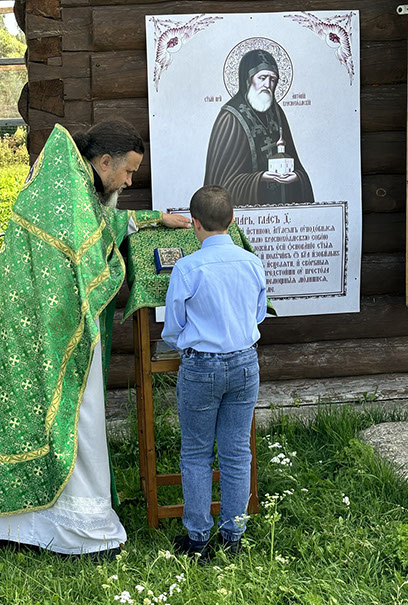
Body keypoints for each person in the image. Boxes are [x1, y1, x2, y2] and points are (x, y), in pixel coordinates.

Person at [0, 119, 190, 557]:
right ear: (104, 162)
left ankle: (15, 529)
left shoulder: (70, 183)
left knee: (31, 420)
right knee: (75, 418)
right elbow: (87, 251)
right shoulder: (64, 191)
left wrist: (152, 218)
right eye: (128, 171)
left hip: (34, 327)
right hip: (52, 332)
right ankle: (81, 530)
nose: (130, 182)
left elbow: (98, 223)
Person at [161, 185, 267, 559]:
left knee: (196, 453)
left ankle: (197, 539)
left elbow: (173, 327)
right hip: (245, 363)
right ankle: (233, 537)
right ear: (233, 220)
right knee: (237, 453)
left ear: (194, 224)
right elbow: (258, 313)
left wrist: (191, 345)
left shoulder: (187, 267)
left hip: (201, 366)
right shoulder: (252, 262)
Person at [203, 49, 314, 205]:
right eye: (262, 78)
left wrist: (297, 177)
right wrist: (260, 178)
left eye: (273, 79)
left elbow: (295, 163)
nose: (267, 84)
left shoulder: (277, 112)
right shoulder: (230, 117)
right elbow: (221, 185)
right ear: (248, 80)